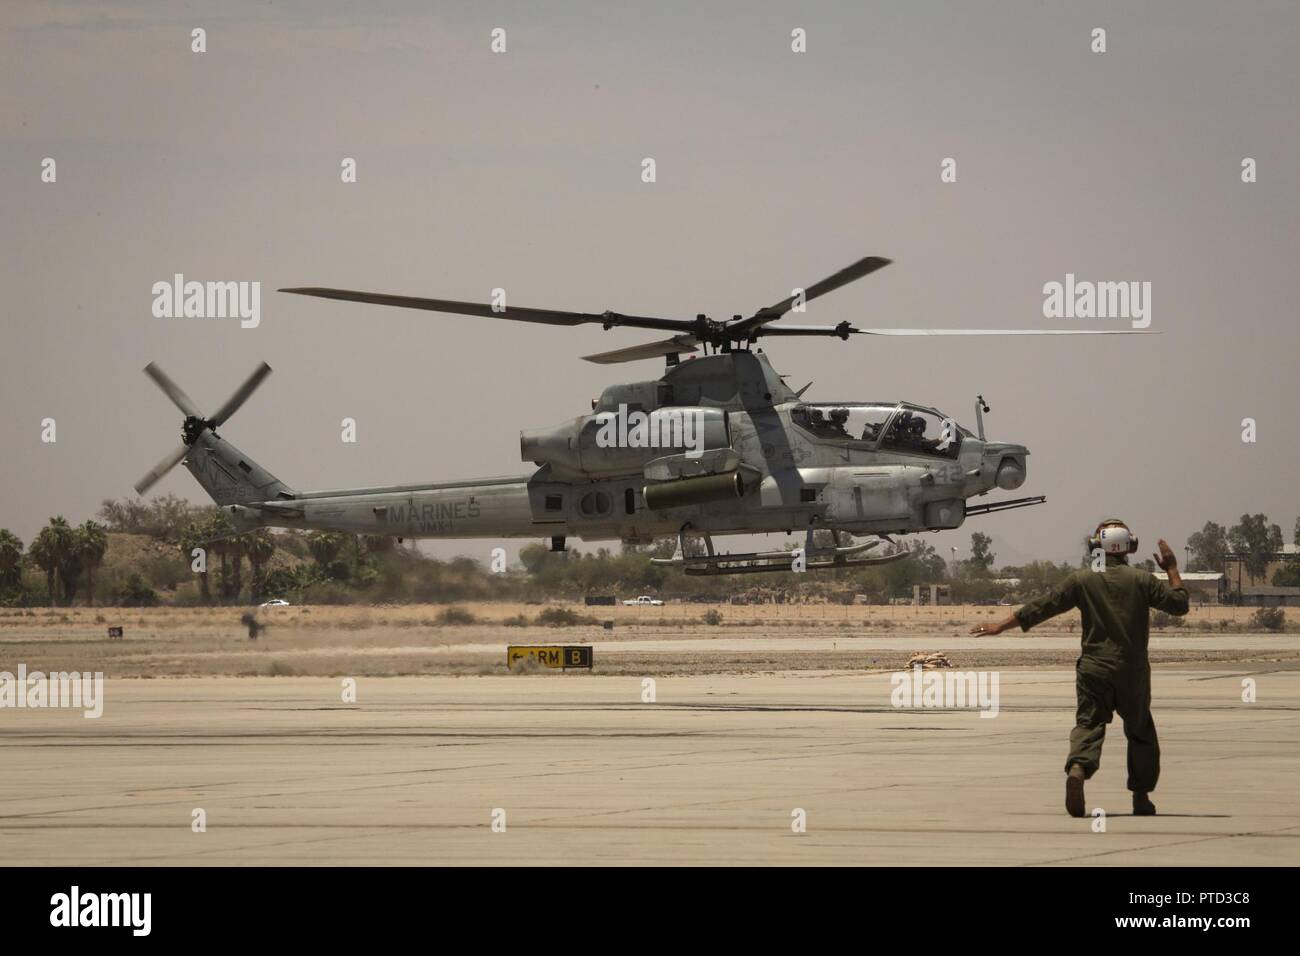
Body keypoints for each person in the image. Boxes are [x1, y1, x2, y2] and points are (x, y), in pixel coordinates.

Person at [970, 519, 1188, 817]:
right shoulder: (1142, 580)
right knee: (1140, 732)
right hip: (1131, 671)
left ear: (1097, 546)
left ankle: (1077, 770)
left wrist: (1000, 626)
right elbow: (1179, 604)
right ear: (1129, 547)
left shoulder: (1082, 580)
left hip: (1093, 669)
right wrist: (1172, 568)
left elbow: (1042, 606)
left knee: (1089, 726)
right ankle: (1141, 797)